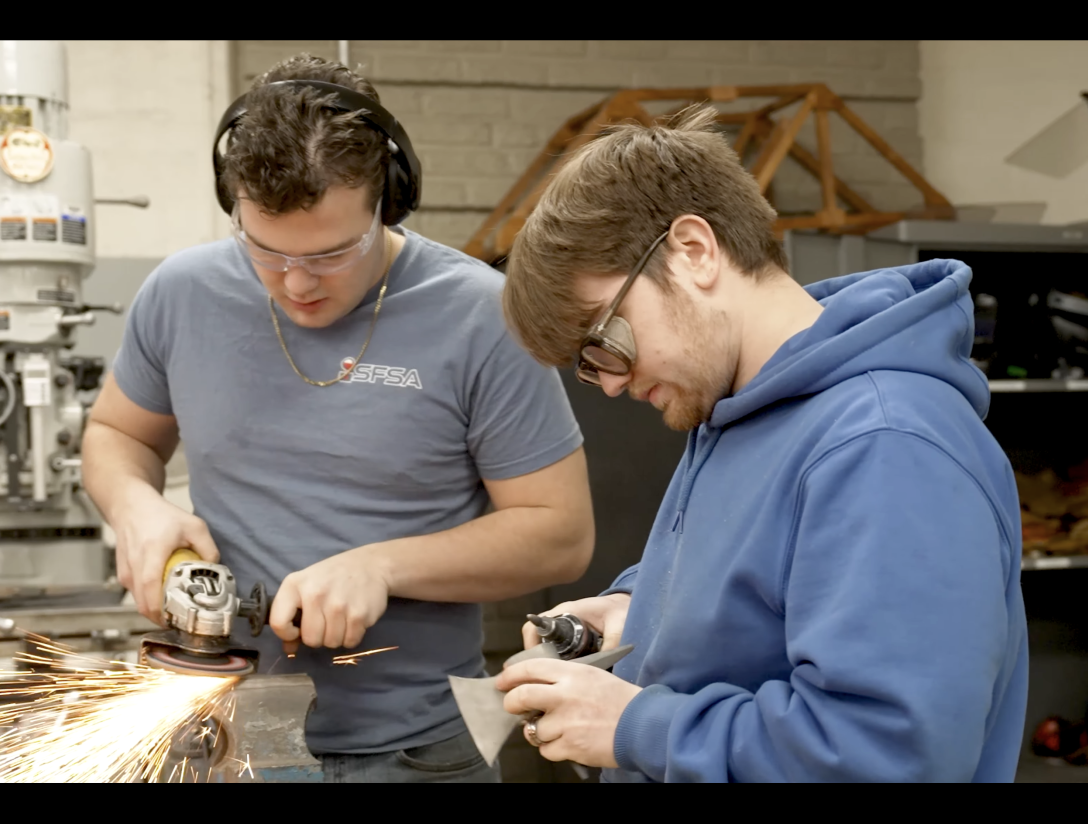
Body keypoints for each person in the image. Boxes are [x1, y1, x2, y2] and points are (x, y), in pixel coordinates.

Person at [81, 54, 594, 783]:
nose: (295, 283)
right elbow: (116, 434)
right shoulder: (180, 294)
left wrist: (382, 566)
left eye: (331, 254)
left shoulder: (482, 316)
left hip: (416, 752)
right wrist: (136, 506)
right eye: (264, 249)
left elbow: (560, 533)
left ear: (388, 200)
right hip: (222, 738)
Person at [495, 106, 1028, 783]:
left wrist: (634, 726)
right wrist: (641, 610)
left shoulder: (884, 445)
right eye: (587, 364)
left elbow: (885, 755)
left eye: (606, 340)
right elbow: (765, 595)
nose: (609, 382)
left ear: (693, 251)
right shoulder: (733, 409)